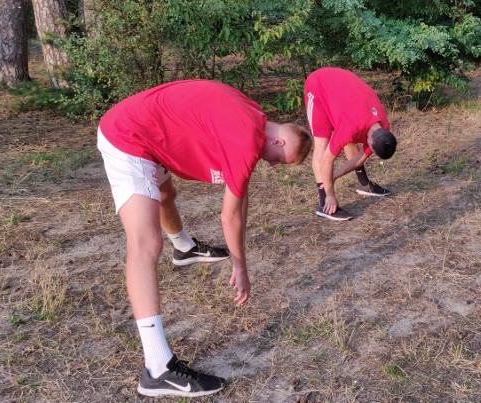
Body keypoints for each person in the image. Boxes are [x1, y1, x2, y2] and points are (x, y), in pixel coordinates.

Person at [97, 79, 313, 397]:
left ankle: (184, 248)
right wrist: (240, 267)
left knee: (165, 192)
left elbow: (241, 189)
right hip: (128, 136)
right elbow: (231, 215)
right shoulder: (246, 141)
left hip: (147, 128)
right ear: (280, 143)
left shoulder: (254, 113)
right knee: (145, 245)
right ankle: (157, 370)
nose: (273, 165)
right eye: (280, 160)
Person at [304, 67, 398, 221]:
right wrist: (330, 193)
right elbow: (327, 159)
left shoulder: (383, 125)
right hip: (318, 85)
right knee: (322, 143)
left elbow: (361, 157)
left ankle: (363, 185)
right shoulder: (350, 127)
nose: (369, 153)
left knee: (352, 138)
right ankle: (324, 203)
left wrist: (334, 176)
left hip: (343, 94)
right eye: (371, 151)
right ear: (369, 142)